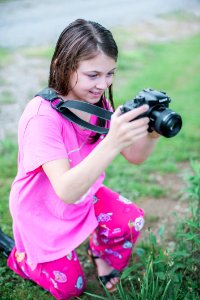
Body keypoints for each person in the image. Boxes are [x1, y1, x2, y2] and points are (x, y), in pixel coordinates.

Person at [7, 19, 160, 299]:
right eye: (93, 75)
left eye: (110, 73)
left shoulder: (96, 102)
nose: (103, 84)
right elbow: (65, 190)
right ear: (62, 66)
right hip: (43, 212)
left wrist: (152, 133)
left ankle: (99, 253)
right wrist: (112, 141)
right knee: (71, 288)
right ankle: (22, 258)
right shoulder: (42, 117)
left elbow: (135, 157)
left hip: (84, 197)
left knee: (130, 220)